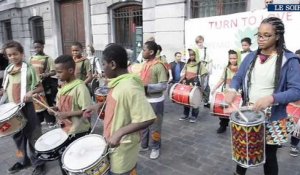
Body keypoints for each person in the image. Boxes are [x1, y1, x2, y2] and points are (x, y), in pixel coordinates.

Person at [225, 17, 300, 175]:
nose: (261, 39)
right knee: (243, 150)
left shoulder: (290, 60)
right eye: (259, 35)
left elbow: (296, 91)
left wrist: (272, 98)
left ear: (278, 36)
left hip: (274, 117)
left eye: (267, 35)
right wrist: (232, 90)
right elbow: (238, 77)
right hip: (249, 114)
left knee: (270, 156)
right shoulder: (251, 56)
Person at [83, 44, 156, 174]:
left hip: (123, 149)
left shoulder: (129, 86)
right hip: (113, 144)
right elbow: (119, 102)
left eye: (104, 64)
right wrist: (98, 106)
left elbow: (148, 118)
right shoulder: (118, 82)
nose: (103, 69)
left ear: (112, 64)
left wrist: (119, 133)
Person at [0, 41, 46, 175]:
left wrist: (31, 92)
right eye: (9, 55)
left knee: (34, 135)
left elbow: (40, 87)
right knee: (17, 137)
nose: (13, 57)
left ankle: (39, 163)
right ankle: (22, 160)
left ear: (21, 54)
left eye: (15, 54)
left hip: (28, 108)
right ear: (7, 56)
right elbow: (5, 87)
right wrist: (2, 91)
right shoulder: (8, 69)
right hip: (12, 110)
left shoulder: (29, 69)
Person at [48, 54, 92, 175]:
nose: (57, 75)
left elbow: (87, 111)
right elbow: (59, 106)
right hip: (64, 131)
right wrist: (54, 108)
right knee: (64, 161)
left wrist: (67, 114)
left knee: (78, 163)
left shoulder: (80, 87)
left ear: (71, 70)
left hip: (78, 131)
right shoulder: (62, 87)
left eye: (59, 72)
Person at [140, 41, 168, 159]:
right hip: (144, 100)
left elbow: (163, 85)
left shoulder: (159, 65)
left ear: (151, 52)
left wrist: (147, 88)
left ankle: (155, 147)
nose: (142, 51)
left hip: (156, 102)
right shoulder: (145, 64)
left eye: (144, 49)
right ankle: (144, 145)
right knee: (143, 125)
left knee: (155, 126)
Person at [211, 50, 239, 133]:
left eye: (234, 58)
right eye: (231, 58)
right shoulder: (226, 68)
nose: (232, 60)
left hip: (237, 93)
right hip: (226, 92)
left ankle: (237, 129)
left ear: (238, 58)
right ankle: (223, 126)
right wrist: (215, 88)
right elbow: (222, 79)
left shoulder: (241, 68)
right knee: (224, 110)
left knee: (236, 111)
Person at [30, 40, 56, 126]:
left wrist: (45, 74)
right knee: (37, 101)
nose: (36, 49)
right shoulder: (31, 58)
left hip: (45, 84)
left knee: (47, 101)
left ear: (42, 47)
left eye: (38, 47)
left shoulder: (48, 59)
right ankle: (39, 120)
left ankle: (51, 120)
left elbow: (54, 72)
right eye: (35, 47)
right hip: (35, 85)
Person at [178, 48, 208, 123]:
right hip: (187, 84)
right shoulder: (187, 63)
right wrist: (180, 81)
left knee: (195, 100)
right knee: (186, 99)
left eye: (193, 55)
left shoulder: (200, 64)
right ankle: (185, 114)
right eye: (190, 55)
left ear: (196, 55)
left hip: (195, 85)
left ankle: (194, 115)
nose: (191, 56)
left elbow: (203, 76)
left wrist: (202, 88)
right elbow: (184, 73)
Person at [194, 35, 212, 108]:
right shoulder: (195, 50)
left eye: (201, 42)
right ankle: (195, 100)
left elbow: (210, 61)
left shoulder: (206, 50)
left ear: (203, 41)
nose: (200, 43)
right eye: (198, 42)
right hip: (197, 70)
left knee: (206, 85)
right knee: (196, 85)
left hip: (205, 69)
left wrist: (209, 70)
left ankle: (206, 101)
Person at [290, 49, 300, 157]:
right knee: (283, 123)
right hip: (288, 103)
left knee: (298, 126)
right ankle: (278, 141)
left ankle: (294, 145)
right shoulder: (290, 69)